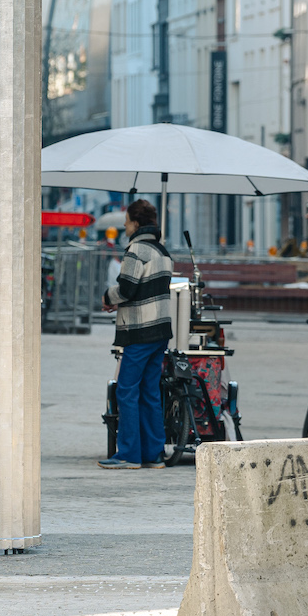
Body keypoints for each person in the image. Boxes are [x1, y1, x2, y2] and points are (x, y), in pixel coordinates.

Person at [99, 199, 174, 471]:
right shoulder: (162, 251)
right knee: (150, 392)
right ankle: (154, 454)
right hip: (161, 329)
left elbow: (127, 288)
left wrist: (107, 297)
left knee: (127, 390)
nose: (124, 224)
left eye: (128, 220)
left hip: (140, 329)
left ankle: (129, 454)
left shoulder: (136, 250)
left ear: (137, 223)